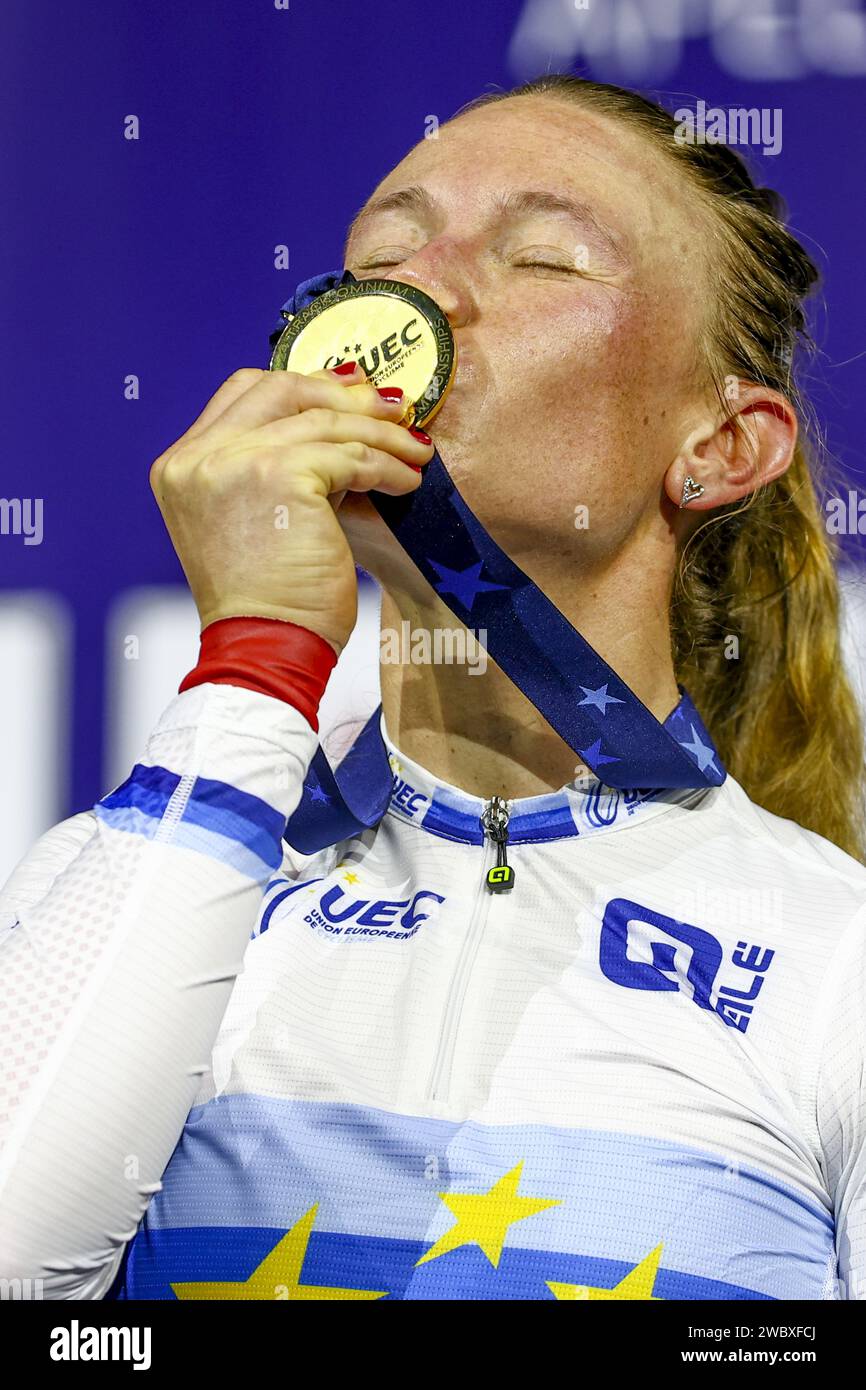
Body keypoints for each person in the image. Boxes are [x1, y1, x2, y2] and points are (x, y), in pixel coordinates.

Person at [1, 73, 865, 1302]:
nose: (418, 293)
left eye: (544, 259)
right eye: (384, 255)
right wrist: (254, 662)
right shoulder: (134, 879)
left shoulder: (838, 965)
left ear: (720, 446)